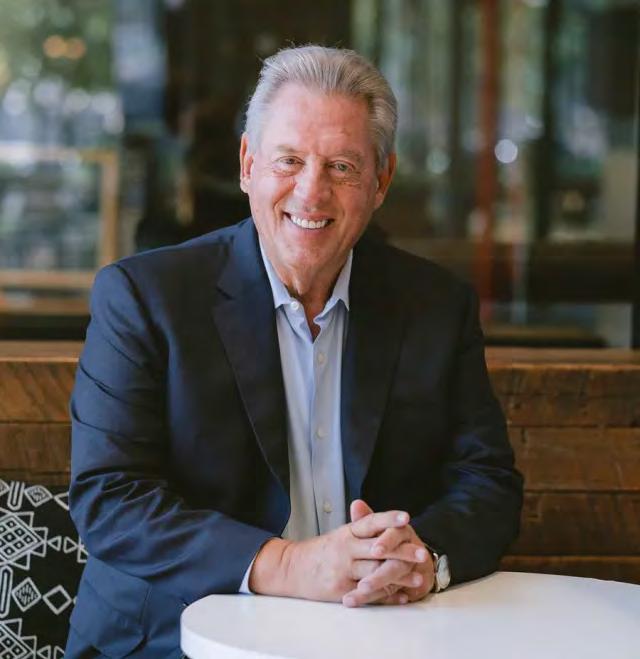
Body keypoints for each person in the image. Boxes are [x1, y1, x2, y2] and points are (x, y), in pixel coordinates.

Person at [65, 45, 523, 658]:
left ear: (381, 181)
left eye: (342, 166)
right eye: (289, 160)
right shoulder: (144, 297)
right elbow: (110, 498)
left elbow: (487, 482)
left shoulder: (435, 305)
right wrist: (288, 565)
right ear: (248, 165)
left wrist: (422, 558)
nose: (312, 193)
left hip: (374, 635)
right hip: (173, 639)